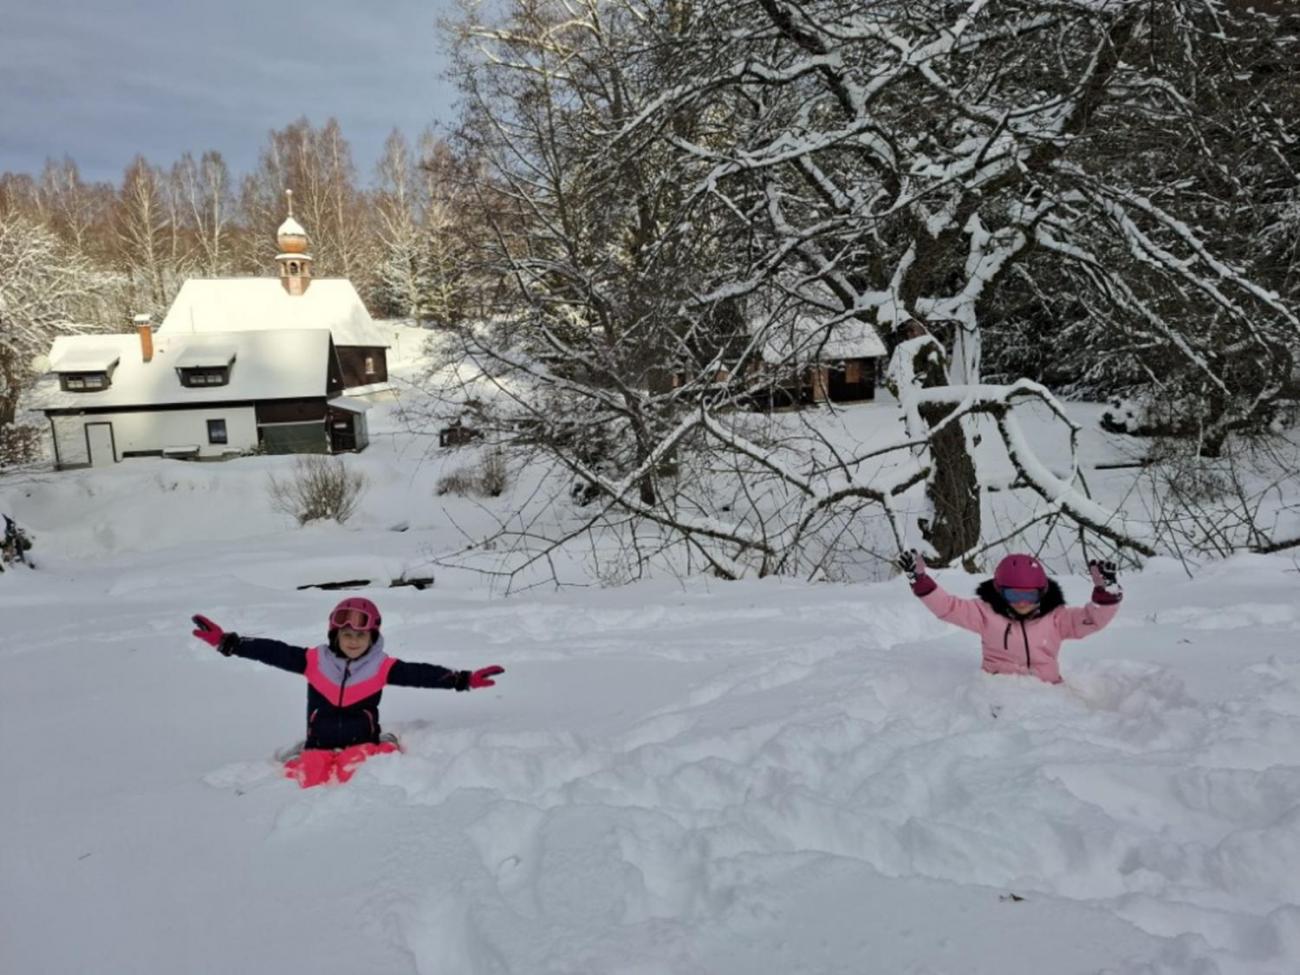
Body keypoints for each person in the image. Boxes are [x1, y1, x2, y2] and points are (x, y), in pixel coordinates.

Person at [190, 596, 505, 787]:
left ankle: (377, 750)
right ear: (334, 635)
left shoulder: (381, 667)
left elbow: (422, 674)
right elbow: (274, 651)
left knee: (355, 769)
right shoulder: (313, 662)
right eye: (347, 634)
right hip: (319, 745)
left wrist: (463, 679)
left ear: (373, 638)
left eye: (361, 635)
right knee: (310, 775)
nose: (353, 640)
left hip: (362, 745)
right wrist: (229, 642)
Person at [897, 550, 1122, 684]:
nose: (1022, 602)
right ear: (999, 592)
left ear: (1042, 592)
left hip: (1047, 692)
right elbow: (948, 607)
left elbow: (1092, 620)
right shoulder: (985, 614)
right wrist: (920, 581)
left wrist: (1105, 595)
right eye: (1013, 595)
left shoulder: (1056, 618)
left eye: (1030, 595)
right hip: (998, 692)